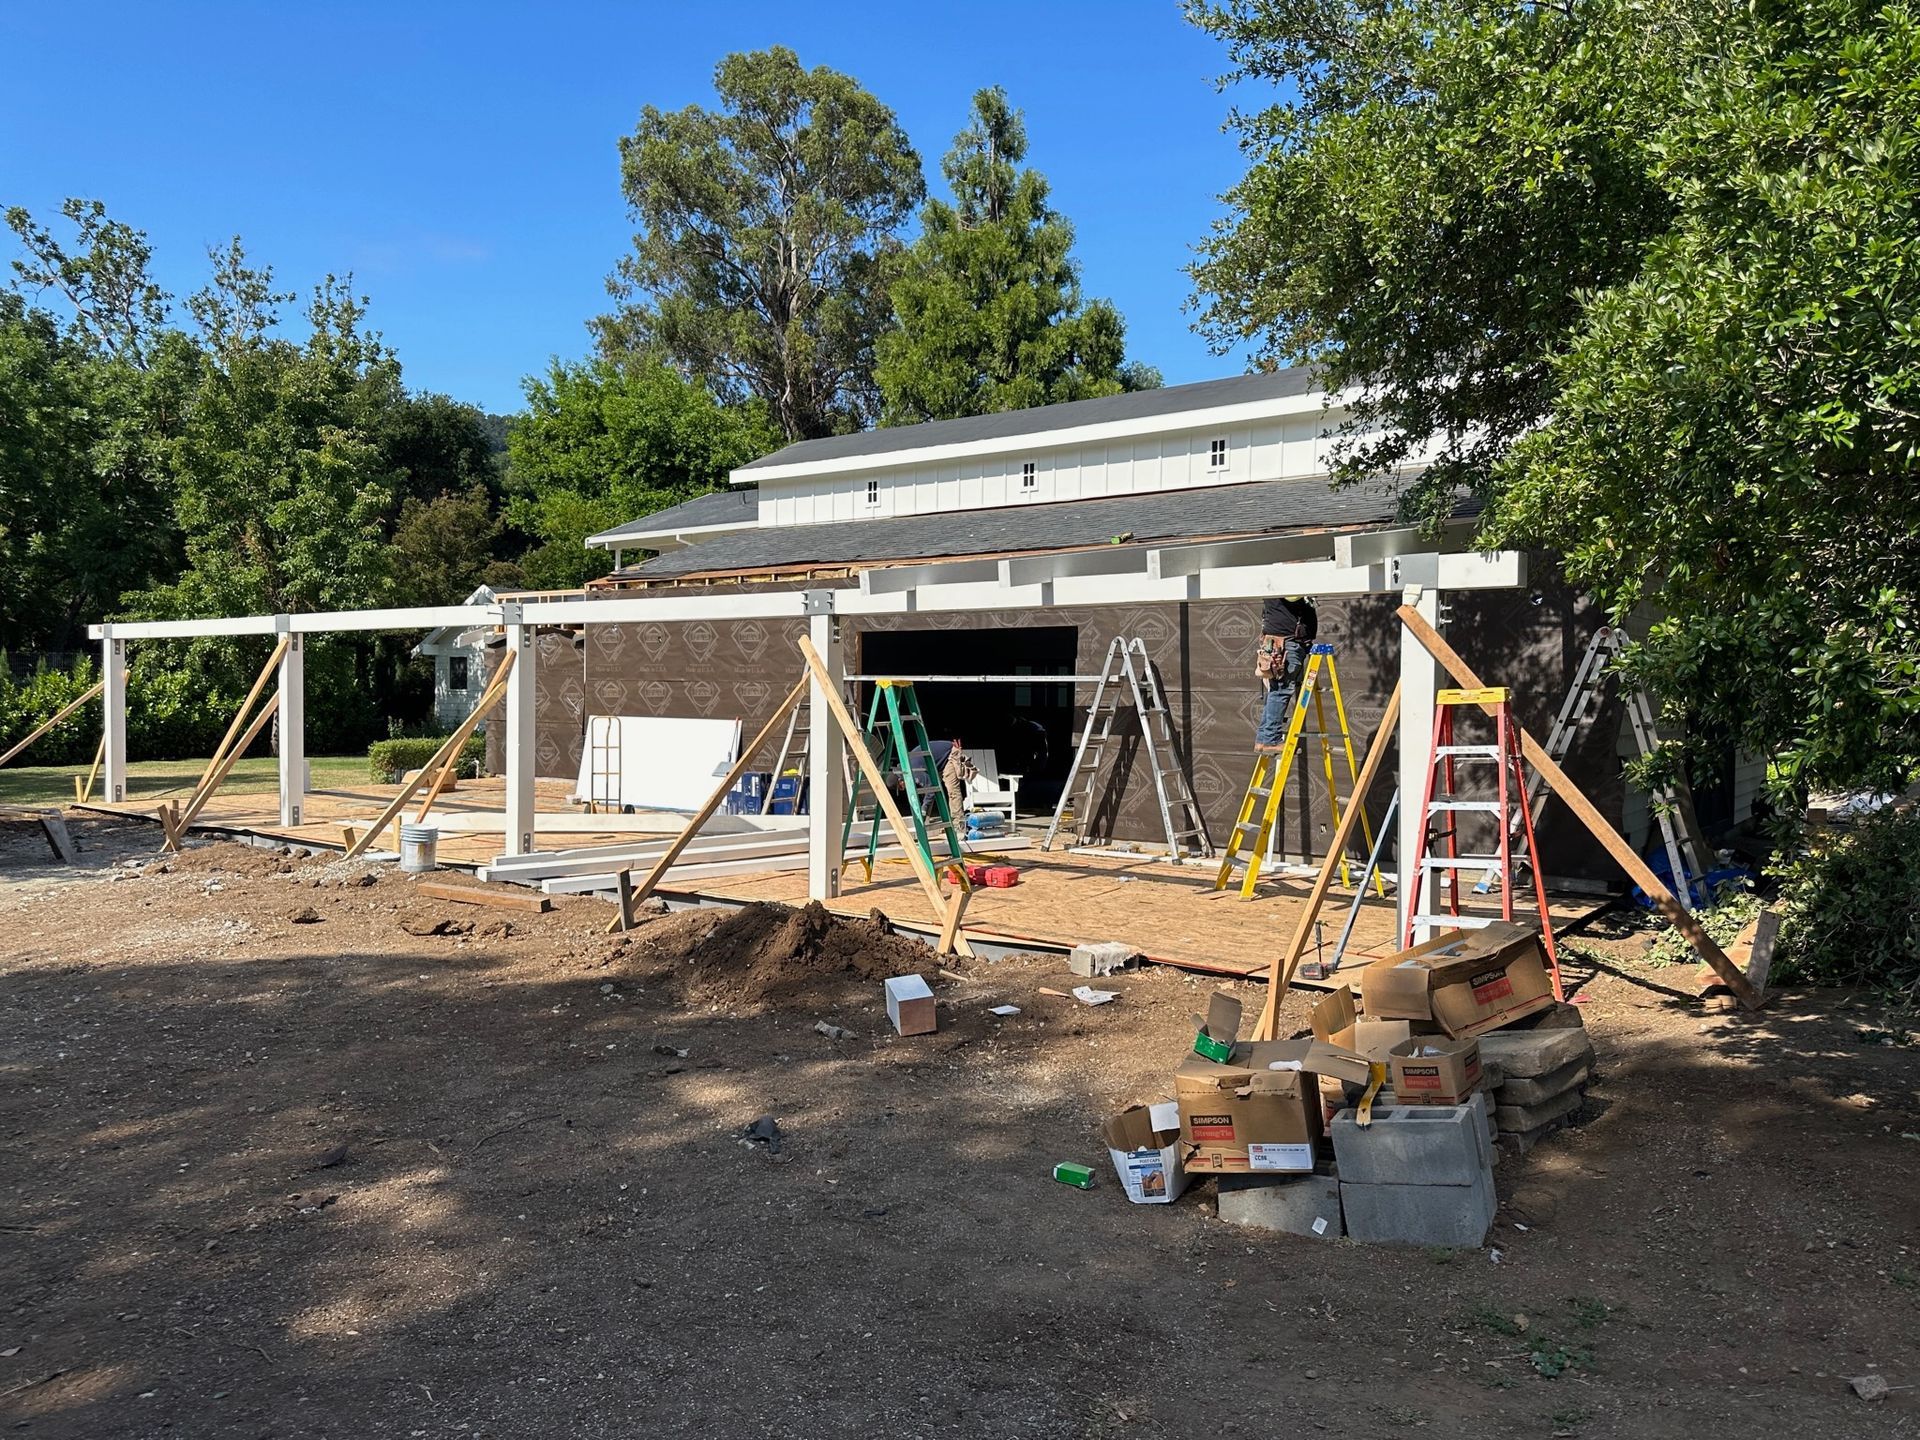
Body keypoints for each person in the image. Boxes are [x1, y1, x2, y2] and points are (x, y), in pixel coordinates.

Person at [1254, 595, 1318, 752]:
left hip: (1278, 641)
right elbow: (1291, 596)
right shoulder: (1285, 583)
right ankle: (1271, 740)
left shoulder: (1272, 582)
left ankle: (1263, 739)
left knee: (1276, 690)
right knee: (1281, 690)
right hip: (1286, 642)